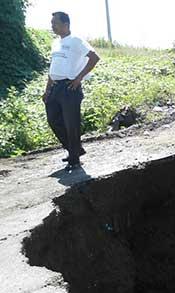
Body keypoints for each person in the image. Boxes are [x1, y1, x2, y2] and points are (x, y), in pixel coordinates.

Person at [43, 11, 99, 172]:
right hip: (55, 87)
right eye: (52, 23)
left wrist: (79, 78)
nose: (52, 26)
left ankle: (74, 159)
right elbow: (53, 68)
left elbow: (94, 58)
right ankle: (75, 149)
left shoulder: (76, 41)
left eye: (55, 23)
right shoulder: (55, 43)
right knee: (53, 119)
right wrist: (47, 89)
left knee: (71, 123)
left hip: (69, 87)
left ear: (66, 24)